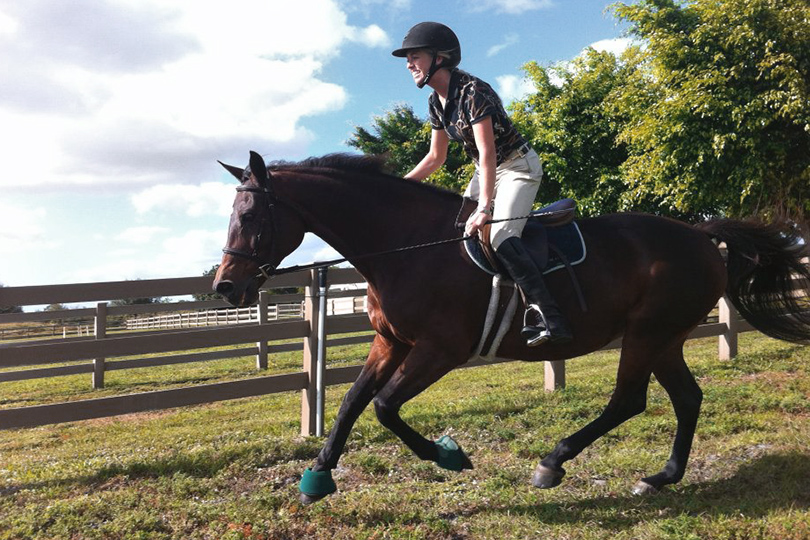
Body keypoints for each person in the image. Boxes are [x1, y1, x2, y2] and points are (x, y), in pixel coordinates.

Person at [392, 21, 572, 347]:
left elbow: (488, 153)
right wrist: (399, 187)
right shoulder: (436, 101)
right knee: (456, 227)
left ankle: (548, 314)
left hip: (517, 166)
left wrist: (486, 207)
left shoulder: (474, 91)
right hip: (485, 169)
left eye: (414, 55)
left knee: (501, 236)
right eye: (408, 57)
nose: (409, 63)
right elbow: (435, 157)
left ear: (440, 57)